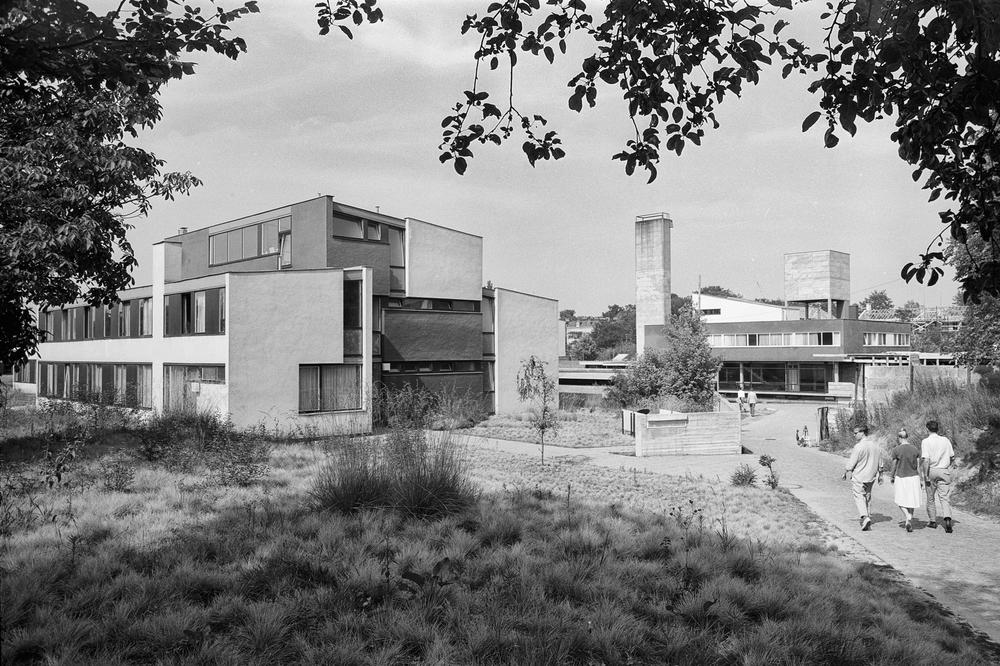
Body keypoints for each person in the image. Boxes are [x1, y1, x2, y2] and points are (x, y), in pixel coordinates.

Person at [843, 425, 883, 531]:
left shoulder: (859, 446)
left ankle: (864, 517)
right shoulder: (876, 445)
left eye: (856, 433)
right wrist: (881, 474)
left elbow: (851, 463)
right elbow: (880, 462)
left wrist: (847, 470)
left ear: (862, 433)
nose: (854, 435)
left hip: (860, 475)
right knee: (867, 496)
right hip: (871, 475)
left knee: (859, 496)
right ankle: (867, 515)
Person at [921, 420, 955, 533]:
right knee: (944, 497)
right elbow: (952, 457)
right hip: (943, 471)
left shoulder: (925, 442)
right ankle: (948, 518)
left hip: (931, 470)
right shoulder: (945, 440)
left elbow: (926, 460)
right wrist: (945, 466)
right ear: (938, 429)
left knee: (930, 498)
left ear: (927, 429)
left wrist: (925, 475)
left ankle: (932, 521)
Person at [888, 428, 922, 532]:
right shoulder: (915, 449)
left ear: (899, 438)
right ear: (907, 437)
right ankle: (909, 519)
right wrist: (920, 479)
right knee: (912, 499)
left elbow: (894, 464)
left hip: (901, 476)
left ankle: (907, 516)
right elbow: (918, 466)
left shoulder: (896, 450)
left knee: (899, 499)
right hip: (913, 476)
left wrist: (892, 475)